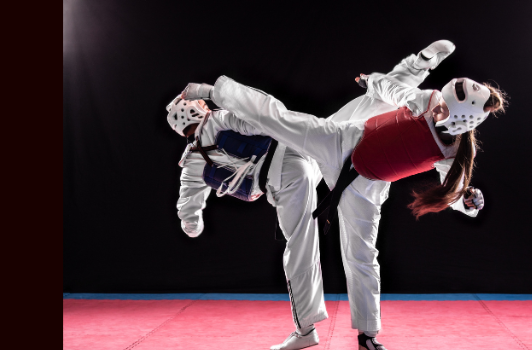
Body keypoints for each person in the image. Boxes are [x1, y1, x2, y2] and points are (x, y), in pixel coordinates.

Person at [179, 40, 506, 350]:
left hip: (366, 186)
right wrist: (372, 80)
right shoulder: (430, 100)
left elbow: (456, 192)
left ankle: (367, 333)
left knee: (361, 256)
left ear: (462, 122)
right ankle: (305, 328)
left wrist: (468, 203)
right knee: (284, 117)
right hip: (342, 139)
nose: (437, 110)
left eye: (444, 110)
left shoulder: (455, 151)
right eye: (441, 103)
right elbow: (395, 88)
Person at [166, 97, 328, 350]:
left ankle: (305, 329)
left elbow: (189, 210)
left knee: (300, 247)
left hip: (287, 176)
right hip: (308, 151)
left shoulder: (192, 161)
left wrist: (192, 225)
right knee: (344, 128)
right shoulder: (219, 118)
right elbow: (263, 121)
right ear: (198, 108)